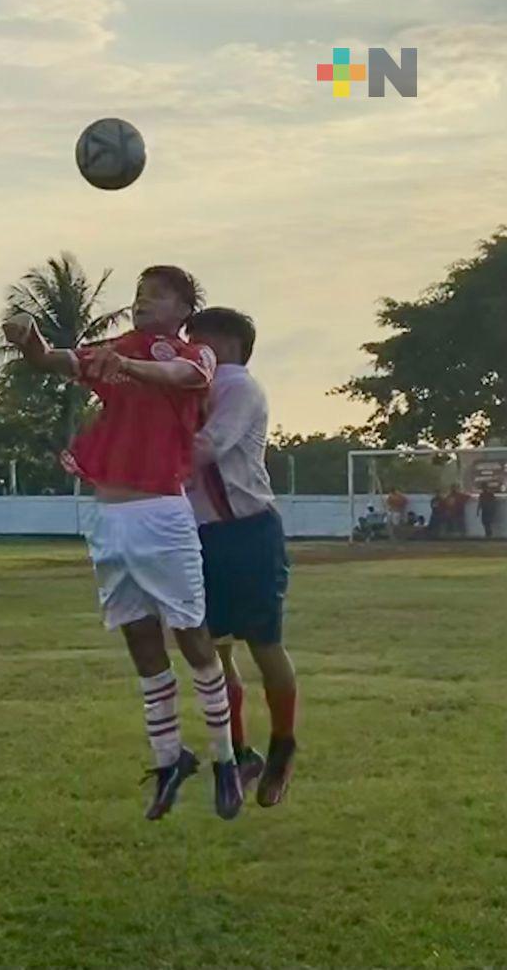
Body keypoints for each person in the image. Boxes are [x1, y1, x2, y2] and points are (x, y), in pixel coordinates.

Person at [3, 265, 241, 821]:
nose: (144, 302)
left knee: (193, 637)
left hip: (161, 515)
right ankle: (168, 759)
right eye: (139, 294)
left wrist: (126, 365)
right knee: (140, 639)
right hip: (109, 519)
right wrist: (30, 338)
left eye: (158, 295)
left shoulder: (193, 353)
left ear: (184, 309)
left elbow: (186, 378)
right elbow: (54, 361)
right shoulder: (115, 348)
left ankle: (226, 760)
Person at [185, 308, 299, 808]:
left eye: (199, 341)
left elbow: (206, 449)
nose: (191, 351)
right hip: (201, 532)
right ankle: (238, 751)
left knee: (263, 642)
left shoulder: (235, 386)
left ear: (228, 345)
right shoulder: (194, 386)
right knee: (210, 646)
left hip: (247, 531)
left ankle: (282, 747)